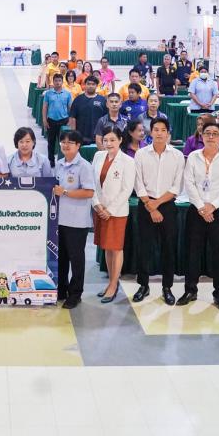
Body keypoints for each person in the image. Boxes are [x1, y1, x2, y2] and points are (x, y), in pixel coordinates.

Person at [179, 119, 219, 310]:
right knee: (192, 253)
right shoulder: (193, 156)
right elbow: (189, 183)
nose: (211, 137)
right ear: (201, 136)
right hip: (196, 212)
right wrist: (201, 207)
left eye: (215, 134)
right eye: (207, 133)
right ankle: (190, 290)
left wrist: (212, 206)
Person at [132, 117, 185, 306]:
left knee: (168, 248)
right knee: (144, 247)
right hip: (145, 204)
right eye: (156, 129)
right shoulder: (141, 154)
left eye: (163, 130)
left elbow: (177, 186)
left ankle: (167, 287)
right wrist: (150, 204)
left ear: (168, 133)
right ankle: (143, 285)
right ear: (151, 132)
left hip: (167, 206)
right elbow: (138, 183)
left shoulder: (177, 156)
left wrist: (158, 204)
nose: (160, 133)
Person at [91, 126, 136, 304]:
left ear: (120, 140)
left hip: (116, 212)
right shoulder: (98, 156)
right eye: (105, 140)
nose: (108, 143)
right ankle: (111, 281)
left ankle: (113, 284)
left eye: (112, 140)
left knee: (115, 248)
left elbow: (127, 189)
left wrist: (109, 210)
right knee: (106, 247)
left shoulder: (127, 161)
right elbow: (92, 183)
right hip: (100, 209)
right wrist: (97, 204)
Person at [52, 130, 95, 309]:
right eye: (63, 142)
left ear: (78, 146)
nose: (65, 145)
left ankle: (75, 293)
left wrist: (65, 192)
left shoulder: (84, 166)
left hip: (77, 221)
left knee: (76, 259)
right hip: (60, 219)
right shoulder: (59, 163)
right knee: (61, 257)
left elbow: (89, 192)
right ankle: (61, 290)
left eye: (70, 142)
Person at [41, 73, 72, 167]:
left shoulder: (67, 94)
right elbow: (45, 107)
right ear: (53, 82)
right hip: (51, 121)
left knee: (64, 142)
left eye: (59, 81)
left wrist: (70, 120)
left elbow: (70, 108)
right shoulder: (48, 94)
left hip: (64, 121)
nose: (58, 83)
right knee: (51, 142)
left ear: (62, 82)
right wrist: (44, 120)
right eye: (56, 81)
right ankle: (51, 161)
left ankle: (65, 160)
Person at [68, 75, 107, 140]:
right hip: (80, 136)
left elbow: (106, 118)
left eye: (93, 84)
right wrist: (73, 134)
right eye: (88, 84)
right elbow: (72, 118)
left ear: (96, 86)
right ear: (85, 85)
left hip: (98, 137)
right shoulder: (78, 99)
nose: (90, 86)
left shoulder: (103, 100)